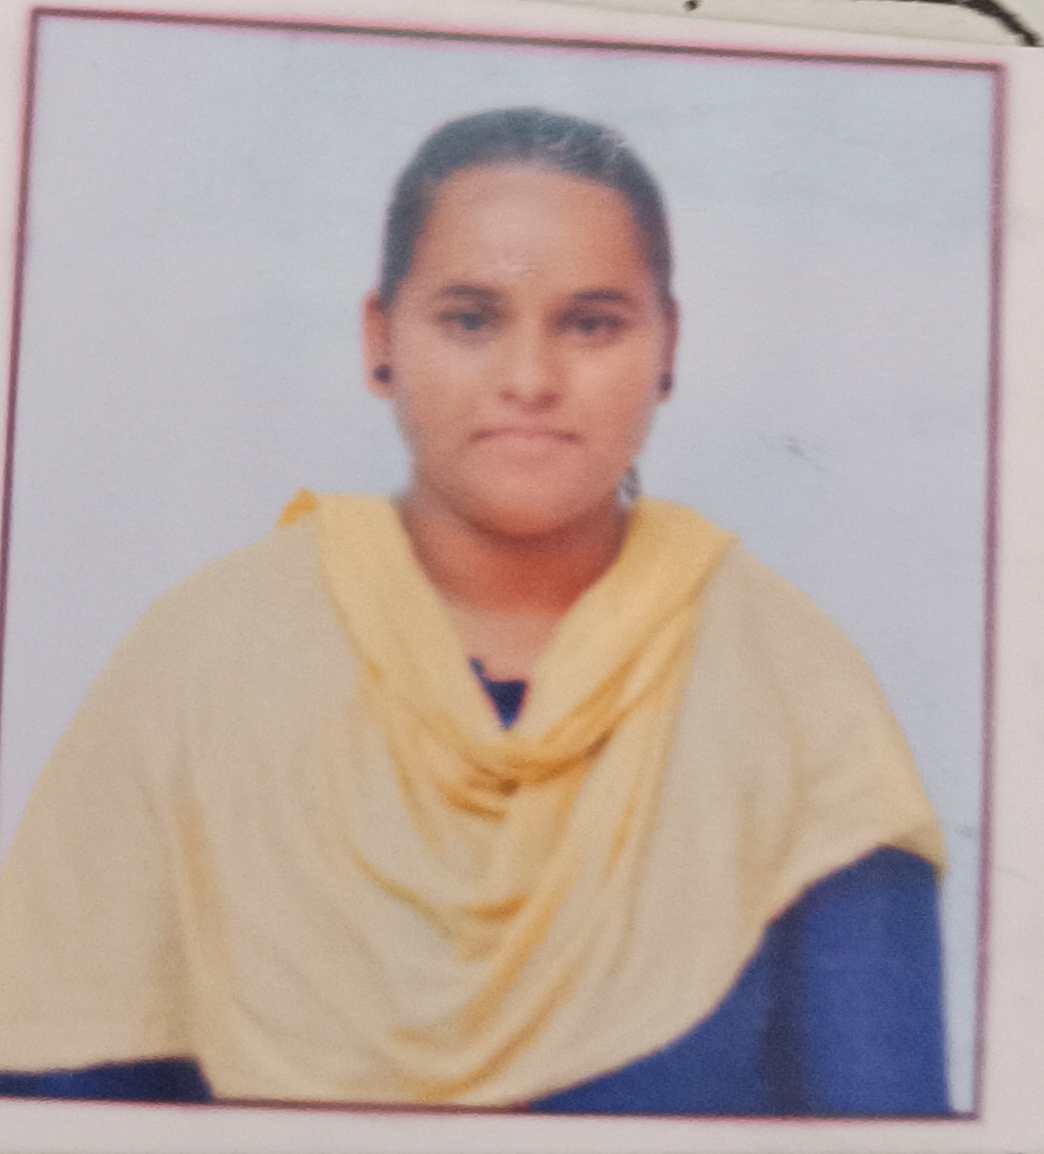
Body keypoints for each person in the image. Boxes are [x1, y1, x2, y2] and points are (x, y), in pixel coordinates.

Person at [0, 108, 948, 1115]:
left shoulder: (794, 693)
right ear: (380, 339)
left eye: (591, 323)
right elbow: (59, 1103)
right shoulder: (202, 663)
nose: (530, 380)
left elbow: (884, 1118)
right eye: (469, 319)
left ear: (668, 344)